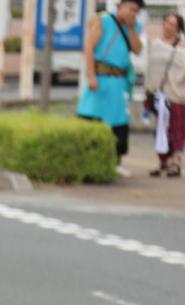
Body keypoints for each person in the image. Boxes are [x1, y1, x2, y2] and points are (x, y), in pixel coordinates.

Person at [77, 0, 144, 176]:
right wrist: (91, 75)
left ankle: (116, 162)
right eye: (131, 9)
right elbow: (89, 48)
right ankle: (87, 161)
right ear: (120, 7)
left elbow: (137, 50)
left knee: (119, 122)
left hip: (119, 81)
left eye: (136, 11)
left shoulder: (135, 27)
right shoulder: (103, 21)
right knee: (92, 117)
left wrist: (131, 29)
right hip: (100, 78)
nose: (133, 13)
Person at [145, 13, 185, 177]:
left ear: (178, 28)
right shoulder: (154, 44)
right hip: (157, 95)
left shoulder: (182, 47)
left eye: (173, 24)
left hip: (175, 96)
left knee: (176, 130)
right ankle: (164, 161)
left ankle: (176, 162)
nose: (169, 26)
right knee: (161, 129)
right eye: (167, 22)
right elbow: (148, 65)